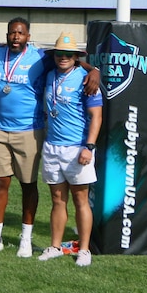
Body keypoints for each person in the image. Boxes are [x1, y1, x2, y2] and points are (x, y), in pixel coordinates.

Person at [0, 18, 100, 258]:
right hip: (20, 135)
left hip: (39, 134)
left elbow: (95, 113)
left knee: (41, 189)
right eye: (12, 32)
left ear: (28, 36)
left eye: (20, 33)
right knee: (7, 186)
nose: (16, 36)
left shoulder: (42, 57)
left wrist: (94, 69)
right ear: (7, 34)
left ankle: (36, 241)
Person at [38, 32, 103, 267]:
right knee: (57, 199)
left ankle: (84, 250)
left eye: (68, 54)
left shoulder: (87, 79)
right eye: (59, 54)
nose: (63, 58)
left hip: (77, 148)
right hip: (52, 146)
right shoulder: (49, 75)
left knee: (80, 199)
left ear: (76, 56)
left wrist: (89, 147)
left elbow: (96, 117)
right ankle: (55, 246)